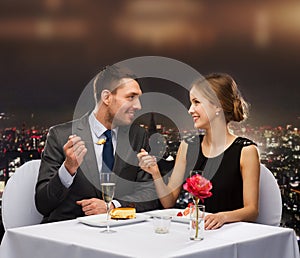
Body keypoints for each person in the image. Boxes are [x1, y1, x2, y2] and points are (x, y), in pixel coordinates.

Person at [35, 65, 161, 223]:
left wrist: (113, 207)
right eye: (131, 97)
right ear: (107, 97)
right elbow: (43, 204)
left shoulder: (137, 136)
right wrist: (68, 169)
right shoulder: (60, 136)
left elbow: (149, 195)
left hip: (119, 234)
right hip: (69, 234)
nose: (138, 106)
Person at [138, 73, 260, 230]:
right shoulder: (187, 146)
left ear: (218, 106)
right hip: (196, 232)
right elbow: (168, 202)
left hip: (230, 234)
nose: (190, 110)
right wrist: (155, 172)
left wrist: (222, 217)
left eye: (196, 102)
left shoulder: (246, 151)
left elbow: (252, 210)